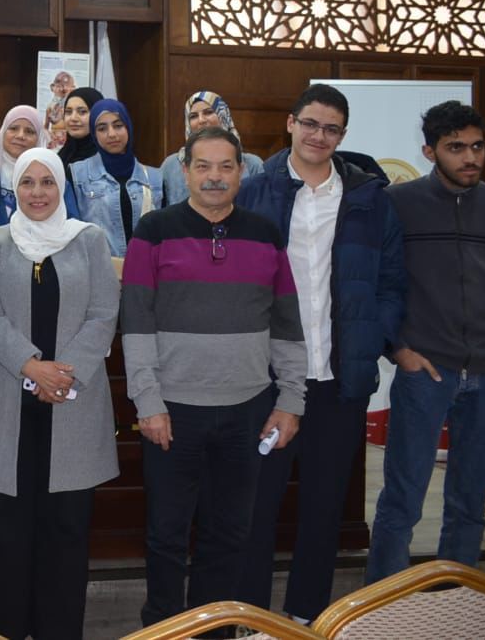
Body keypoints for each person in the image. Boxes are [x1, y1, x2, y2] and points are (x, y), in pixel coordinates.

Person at [122, 125, 306, 627]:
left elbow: (287, 324)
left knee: (229, 534)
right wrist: (148, 402)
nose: (214, 177)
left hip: (248, 411)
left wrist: (291, 401)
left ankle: (213, 629)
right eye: (202, 166)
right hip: (173, 412)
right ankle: (164, 629)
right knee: (166, 534)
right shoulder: (154, 231)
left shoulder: (266, 234)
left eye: (226, 166)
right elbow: (136, 323)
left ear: (242, 172)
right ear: (184, 171)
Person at [234, 85, 405, 622]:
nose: (319, 136)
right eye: (310, 123)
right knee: (254, 508)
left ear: (343, 135)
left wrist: (374, 338)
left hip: (339, 380)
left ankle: (308, 617)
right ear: (291, 123)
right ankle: (251, 620)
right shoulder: (254, 192)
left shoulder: (370, 199)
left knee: (324, 509)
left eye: (331, 128)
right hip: (267, 381)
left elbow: (392, 281)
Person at [0, 147, 119, 640]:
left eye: (46, 181)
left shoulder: (89, 240)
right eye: (27, 182)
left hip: (72, 405)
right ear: (14, 189)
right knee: (3, 531)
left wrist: (62, 376)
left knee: (66, 532)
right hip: (5, 406)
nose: (37, 192)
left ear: (61, 187)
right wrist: (32, 368)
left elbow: (104, 315)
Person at [366, 100, 485, 580]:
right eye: (456, 147)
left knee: (470, 503)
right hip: (425, 370)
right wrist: (398, 348)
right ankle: (382, 604)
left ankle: (456, 600)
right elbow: (377, 283)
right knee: (402, 501)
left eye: (477, 146)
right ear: (429, 151)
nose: (470, 157)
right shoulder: (398, 204)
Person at [70, 98, 163, 258]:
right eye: (102, 128)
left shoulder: (155, 177)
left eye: (118, 125)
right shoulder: (77, 174)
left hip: (145, 268)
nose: (111, 134)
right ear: (94, 134)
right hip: (97, 269)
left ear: (128, 127)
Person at [161, 91, 265, 205]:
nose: (201, 120)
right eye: (193, 116)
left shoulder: (252, 164)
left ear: (223, 115)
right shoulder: (171, 165)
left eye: (208, 112)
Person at [0, 105, 77, 227]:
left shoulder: (53, 174)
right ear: (3, 132)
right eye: (13, 128)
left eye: (29, 131)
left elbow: (70, 223)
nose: (20, 136)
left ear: (39, 138)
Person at [57, 86, 104, 172]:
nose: (73, 118)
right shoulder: (62, 157)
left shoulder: (106, 161)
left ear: (98, 115)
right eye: (68, 112)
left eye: (82, 112)